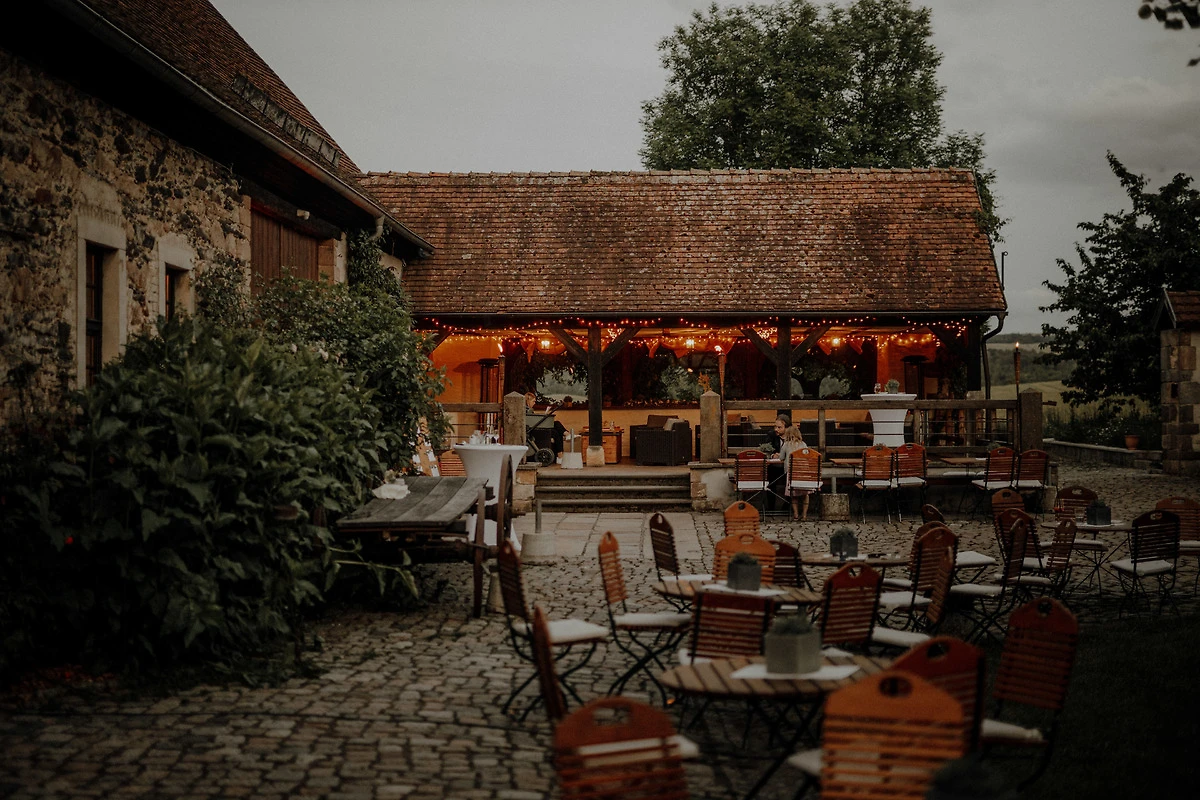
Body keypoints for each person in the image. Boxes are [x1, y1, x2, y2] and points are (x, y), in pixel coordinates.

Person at [779, 425, 813, 521]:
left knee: (794, 494)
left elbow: (781, 458)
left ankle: (796, 514)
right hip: (803, 473)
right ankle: (804, 515)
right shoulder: (803, 444)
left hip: (792, 474)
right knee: (805, 494)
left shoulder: (786, 445)